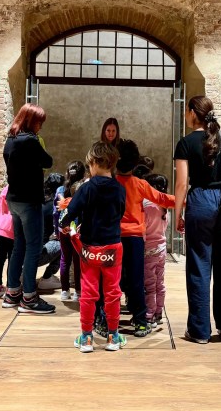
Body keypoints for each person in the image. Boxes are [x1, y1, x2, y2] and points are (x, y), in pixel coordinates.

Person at [174, 95, 221, 343]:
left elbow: (182, 184)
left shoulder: (186, 143)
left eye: (186, 112)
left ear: (193, 112)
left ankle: (199, 331)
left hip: (201, 202)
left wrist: (177, 212)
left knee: (199, 266)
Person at [60, 141, 128, 353]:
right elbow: (121, 211)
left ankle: (87, 337)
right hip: (113, 248)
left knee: (89, 293)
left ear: (96, 163)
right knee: (112, 293)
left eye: (90, 164)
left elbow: (69, 213)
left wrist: (65, 225)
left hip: (90, 249)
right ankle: (113, 336)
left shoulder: (86, 188)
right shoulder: (119, 189)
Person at [116, 139, 175, 338]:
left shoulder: (110, 183)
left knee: (112, 281)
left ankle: (107, 319)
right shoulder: (140, 184)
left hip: (113, 238)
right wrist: (184, 200)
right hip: (134, 240)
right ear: (135, 163)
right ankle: (141, 321)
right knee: (136, 280)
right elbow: (163, 199)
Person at [2, 103, 56, 314]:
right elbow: (48, 161)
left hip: (13, 199)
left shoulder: (11, 140)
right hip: (29, 201)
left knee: (19, 247)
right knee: (33, 248)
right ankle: (29, 298)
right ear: (31, 121)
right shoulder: (31, 142)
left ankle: (12, 292)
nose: (40, 126)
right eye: (39, 122)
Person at [143, 173, 170, 328]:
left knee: (149, 285)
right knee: (160, 282)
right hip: (161, 248)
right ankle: (159, 311)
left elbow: (143, 229)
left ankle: (149, 314)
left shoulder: (147, 206)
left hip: (148, 250)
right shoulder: (164, 206)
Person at [56, 161, 86, 301]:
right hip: (77, 229)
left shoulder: (60, 190)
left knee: (64, 259)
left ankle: (64, 291)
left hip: (63, 229)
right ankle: (78, 292)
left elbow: (54, 212)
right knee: (77, 260)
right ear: (83, 174)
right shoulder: (83, 189)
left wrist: (57, 228)